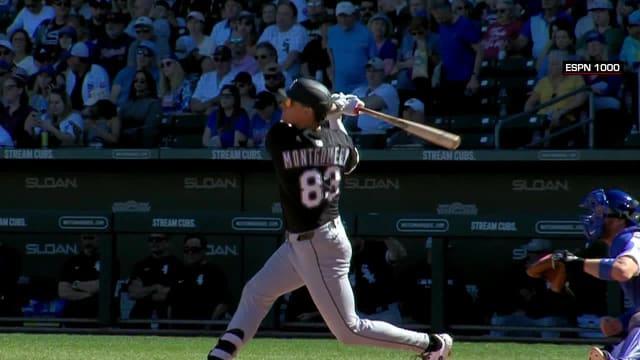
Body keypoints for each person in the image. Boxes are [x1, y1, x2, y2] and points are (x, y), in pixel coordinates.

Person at [206, 78, 452, 360]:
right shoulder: (334, 138)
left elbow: (310, 131)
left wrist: (334, 109)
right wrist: (337, 117)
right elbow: (351, 158)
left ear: (308, 111)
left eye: (292, 103)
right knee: (257, 292)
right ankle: (223, 353)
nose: (285, 106)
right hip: (311, 241)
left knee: (350, 331)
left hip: (317, 244)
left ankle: (432, 344)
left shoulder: (281, 137)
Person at [551, 189, 640, 360]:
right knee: (614, 325)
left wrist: (577, 264)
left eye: (600, 212)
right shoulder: (623, 242)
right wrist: (622, 322)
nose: (594, 217)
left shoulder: (633, 239)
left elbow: (623, 270)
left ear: (619, 218)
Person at [169, 234, 231, 328]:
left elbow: (224, 302)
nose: (190, 253)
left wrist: (210, 325)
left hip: (203, 328)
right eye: (186, 250)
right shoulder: (179, 271)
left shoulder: (214, 271)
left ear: (204, 251)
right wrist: (170, 325)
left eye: (194, 250)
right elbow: (170, 301)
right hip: (179, 328)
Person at [57, 234, 101, 322]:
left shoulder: (108, 259)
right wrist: (90, 295)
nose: (88, 242)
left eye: (91, 238)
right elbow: (63, 292)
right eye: (85, 238)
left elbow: (100, 286)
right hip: (74, 315)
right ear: (81, 240)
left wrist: (75, 284)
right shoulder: (71, 261)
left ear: (98, 239)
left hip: (98, 315)